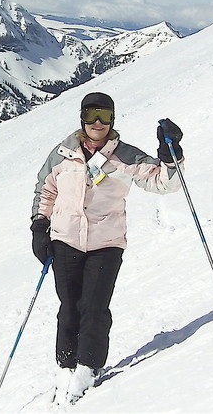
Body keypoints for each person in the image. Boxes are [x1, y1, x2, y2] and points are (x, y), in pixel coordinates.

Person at [30, 91, 184, 405]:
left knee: (94, 307)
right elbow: (45, 189)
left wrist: (170, 157)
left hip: (106, 242)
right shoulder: (63, 153)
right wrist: (39, 225)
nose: (97, 122)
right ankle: (66, 366)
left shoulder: (125, 156)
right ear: (82, 118)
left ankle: (88, 367)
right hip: (66, 240)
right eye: (91, 115)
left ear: (112, 118)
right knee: (69, 307)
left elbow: (163, 182)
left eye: (103, 115)